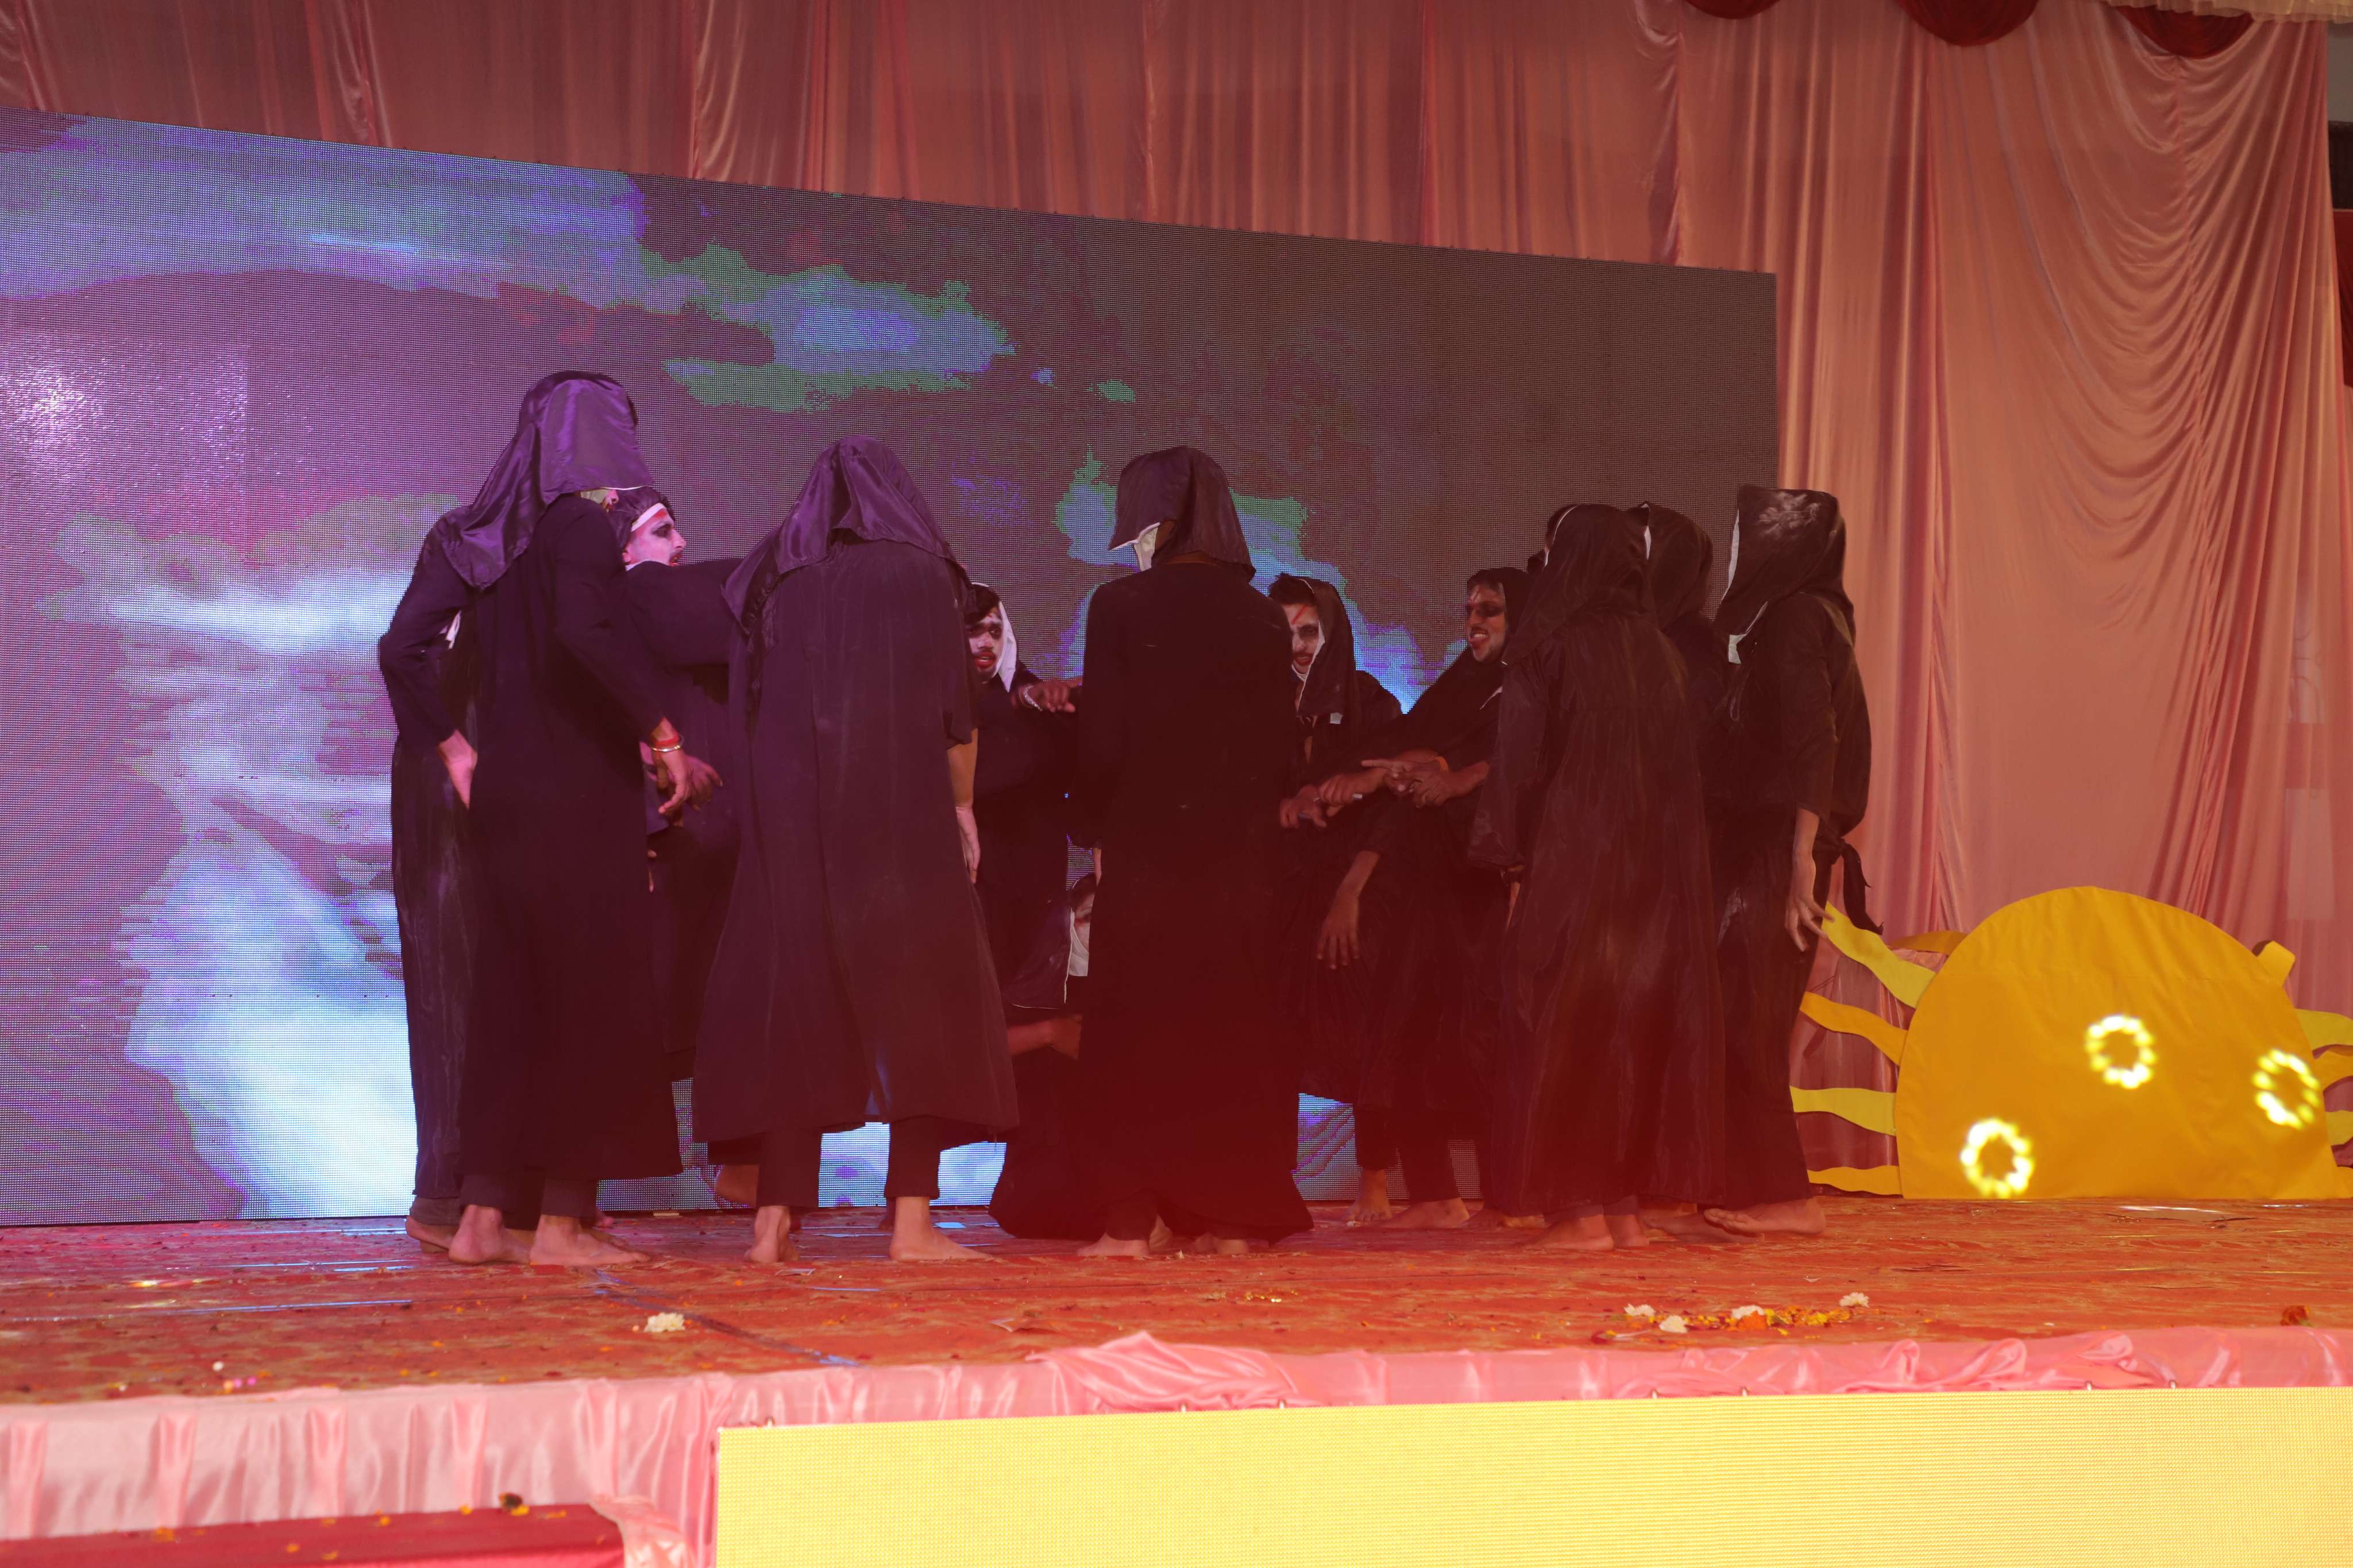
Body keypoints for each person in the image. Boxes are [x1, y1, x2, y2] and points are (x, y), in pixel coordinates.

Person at [382, 371, 719, 1269]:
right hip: (579, 791)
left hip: (508, 793)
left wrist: (457, 750)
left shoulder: (475, 536)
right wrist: (662, 733)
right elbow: (583, 632)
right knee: (591, 1000)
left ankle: (483, 1217)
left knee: (510, 1000)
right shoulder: (581, 525)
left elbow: (401, 646)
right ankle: (564, 1225)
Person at [696, 437, 1017, 1265]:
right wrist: (962, 808)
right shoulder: (921, 572)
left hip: (795, 826)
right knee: (922, 1002)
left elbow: (745, 703)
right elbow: (955, 711)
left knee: (796, 1005)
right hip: (898, 820)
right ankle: (911, 1223)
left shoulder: (775, 574)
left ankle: (772, 1221)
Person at [1069, 445, 1310, 1256]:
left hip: (1149, 854)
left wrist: (1088, 824)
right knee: (1227, 1033)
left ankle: (1131, 1221)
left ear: (1161, 521)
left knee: (1136, 1032)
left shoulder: (1121, 605)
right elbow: (1280, 750)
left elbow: (1103, 741)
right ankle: (1233, 1218)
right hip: (1240, 864)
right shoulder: (1260, 617)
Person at [1468, 504, 1726, 1250]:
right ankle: (1622, 1211)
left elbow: (1517, 768)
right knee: (1631, 1035)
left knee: (1559, 1027)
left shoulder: (1548, 645)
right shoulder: (1662, 651)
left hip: (1574, 867)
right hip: (1660, 881)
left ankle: (1578, 1214)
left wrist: (1506, 860)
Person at [1303, 567, 1529, 1229]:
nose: (1474, 622)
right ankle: (1434, 1195)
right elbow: (1409, 755)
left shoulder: (1527, 688)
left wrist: (1453, 775)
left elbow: (1514, 762)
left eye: (1490, 610)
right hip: (1424, 889)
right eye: (1469, 610)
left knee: (1479, 1042)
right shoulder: (1461, 684)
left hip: (1483, 888)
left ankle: (1509, 1199)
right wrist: (1373, 778)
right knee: (1409, 1036)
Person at [1698, 485, 1872, 1239]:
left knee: (1754, 1018)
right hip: (1775, 843)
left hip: (1780, 846)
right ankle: (1753, 1188)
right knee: (1746, 1015)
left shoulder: (1799, 616)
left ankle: (1783, 1195)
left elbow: (1814, 738)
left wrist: (1802, 856)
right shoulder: (1809, 616)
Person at [376, 530, 483, 1252]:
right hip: (448, 790)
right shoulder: (471, 540)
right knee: (452, 982)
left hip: (490, 774)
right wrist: (456, 747)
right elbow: (399, 648)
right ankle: (445, 1192)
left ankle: (505, 1195)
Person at [618, 492, 741, 1085]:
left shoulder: (655, 607)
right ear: (623, 549)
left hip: (694, 833)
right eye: (663, 531)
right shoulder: (640, 592)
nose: (682, 543)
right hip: (673, 833)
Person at [965, 584, 1076, 1005]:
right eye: (973, 631)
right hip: (977, 873)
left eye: (995, 631)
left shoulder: (1033, 692)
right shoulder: (927, 698)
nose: (986, 642)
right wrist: (1021, 702)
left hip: (1035, 871)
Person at [988, 874, 1106, 1241]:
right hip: (1043, 1157)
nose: (1101, 930)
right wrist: (1050, 1033)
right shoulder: (1036, 983)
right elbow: (982, 1047)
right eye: (1091, 917)